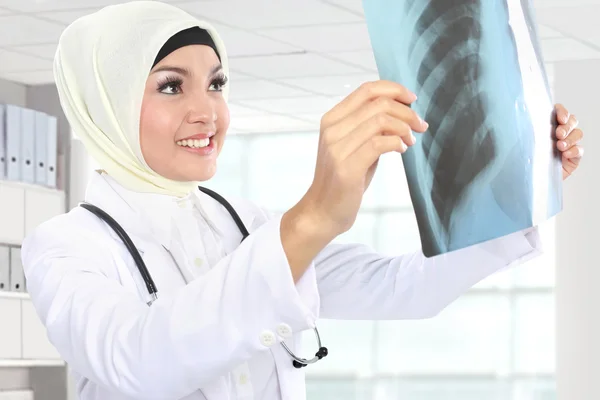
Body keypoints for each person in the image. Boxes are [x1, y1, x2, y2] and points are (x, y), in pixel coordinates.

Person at [21, 2, 584, 400]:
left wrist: (524, 183)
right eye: (172, 86)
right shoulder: (65, 246)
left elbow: (402, 288)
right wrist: (314, 215)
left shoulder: (245, 224)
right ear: (105, 105)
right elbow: (141, 361)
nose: (207, 111)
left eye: (216, 84)